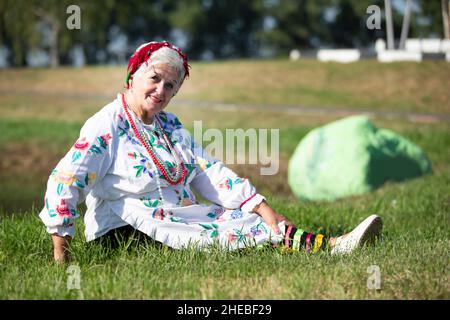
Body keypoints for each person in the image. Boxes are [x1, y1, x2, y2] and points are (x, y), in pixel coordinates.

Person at [39, 41, 383, 263]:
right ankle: (331, 247)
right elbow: (66, 180)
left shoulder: (169, 124)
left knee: (247, 221)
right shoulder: (106, 124)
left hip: (170, 215)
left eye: (170, 85)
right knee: (232, 234)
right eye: (155, 78)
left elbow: (206, 171)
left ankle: (327, 245)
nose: (161, 90)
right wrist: (61, 256)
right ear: (132, 76)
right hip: (123, 229)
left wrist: (263, 207)